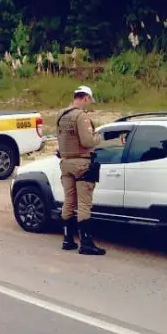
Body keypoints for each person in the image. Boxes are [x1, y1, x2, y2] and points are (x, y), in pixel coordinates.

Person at [56, 85, 106, 255]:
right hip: (81, 164)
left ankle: (67, 240)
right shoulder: (81, 116)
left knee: (69, 201)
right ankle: (86, 244)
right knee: (84, 203)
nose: (89, 104)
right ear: (85, 98)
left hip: (65, 163)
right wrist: (98, 137)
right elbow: (86, 141)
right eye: (89, 101)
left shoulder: (61, 115)